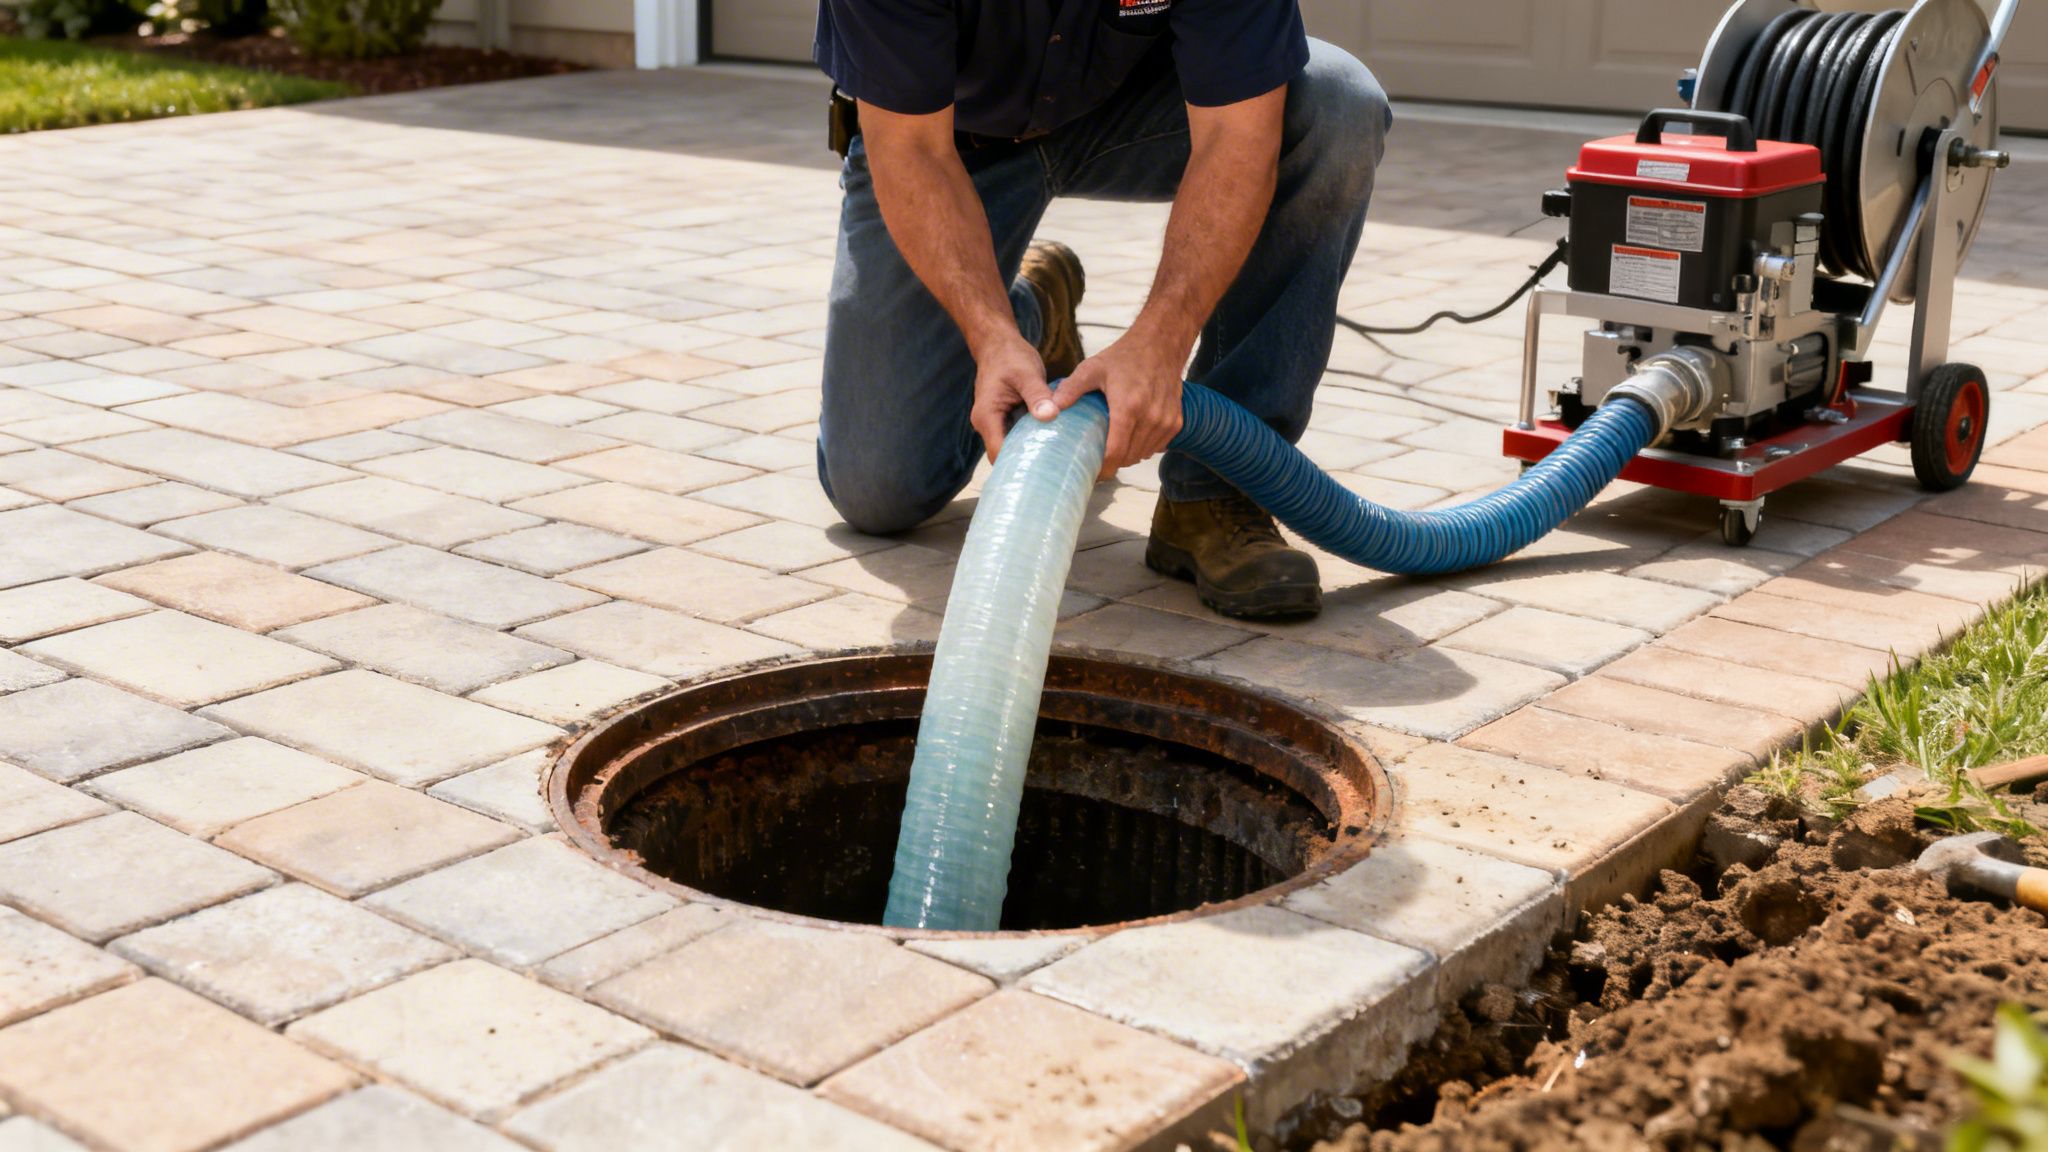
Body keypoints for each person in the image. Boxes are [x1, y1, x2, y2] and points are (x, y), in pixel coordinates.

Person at [812, 0, 1390, 620]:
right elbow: (912, 150)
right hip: (948, 143)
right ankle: (1034, 311)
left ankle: (1216, 489)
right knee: (879, 491)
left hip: (1131, 117)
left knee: (1336, 105)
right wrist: (991, 335)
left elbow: (1235, 135)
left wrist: (1158, 345)